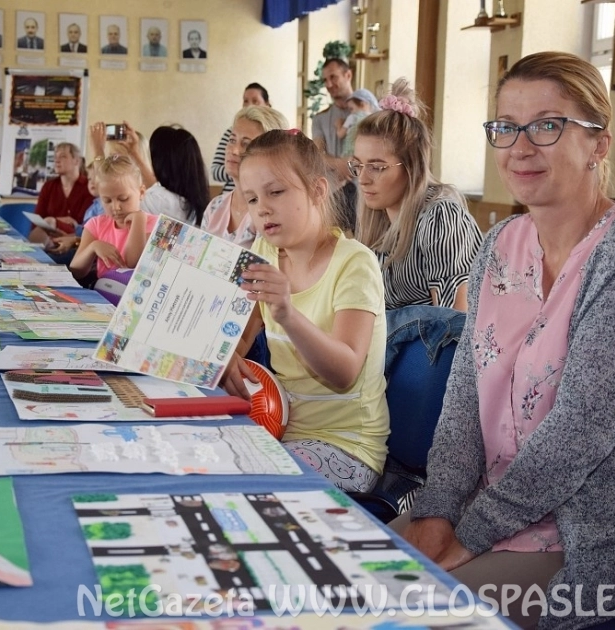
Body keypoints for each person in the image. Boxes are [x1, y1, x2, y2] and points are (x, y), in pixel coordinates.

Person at [395, 52, 615, 629]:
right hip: (487, 506)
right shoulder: (500, 243)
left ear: (599, 144)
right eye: (506, 128)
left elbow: (578, 437)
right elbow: (464, 400)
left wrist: (468, 534)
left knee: (408, 617)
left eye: (547, 126)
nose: (520, 148)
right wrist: (436, 511)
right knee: (340, 584)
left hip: (582, 537)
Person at [221, 129, 390, 493]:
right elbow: (238, 335)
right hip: (279, 430)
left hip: (347, 448)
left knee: (249, 483)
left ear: (317, 190)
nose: (262, 207)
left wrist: (287, 314)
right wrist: (224, 356)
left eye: (276, 192)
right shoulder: (264, 254)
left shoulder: (355, 263)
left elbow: (344, 371)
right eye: (251, 199)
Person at [353, 79, 482, 311]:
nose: (362, 179)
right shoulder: (377, 220)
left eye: (377, 166)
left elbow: (454, 324)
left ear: (411, 167)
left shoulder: (441, 217)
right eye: (358, 165)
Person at [201, 106, 289, 248]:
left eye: (246, 144)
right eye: (232, 140)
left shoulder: (270, 212)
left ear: (270, 153)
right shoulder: (214, 208)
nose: (234, 150)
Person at [69, 155, 159, 286]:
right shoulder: (96, 224)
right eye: (107, 201)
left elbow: (132, 263)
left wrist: (139, 220)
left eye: (123, 199)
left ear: (141, 193)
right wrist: (93, 247)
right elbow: (76, 271)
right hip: (104, 294)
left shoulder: (154, 224)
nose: (116, 207)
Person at [118, 122, 209, 226]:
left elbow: (112, 200)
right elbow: (155, 187)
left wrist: (98, 149)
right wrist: (134, 153)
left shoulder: (158, 201)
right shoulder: (190, 204)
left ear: (159, 164)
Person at [312, 58, 357, 233]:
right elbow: (316, 155)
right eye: (325, 80)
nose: (329, 84)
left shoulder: (370, 112)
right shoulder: (320, 118)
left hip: (367, 194)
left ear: (348, 75)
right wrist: (340, 164)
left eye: (333, 77)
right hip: (333, 196)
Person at [29, 142, 95, 248]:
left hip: (78, 240)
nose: (57, 160)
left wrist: (54, 221)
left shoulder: (89, 186)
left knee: (50, 221)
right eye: (55, 157)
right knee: (48, 222)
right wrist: (58, 221)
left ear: (76, 161)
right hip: (48, 238)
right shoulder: (48, 186)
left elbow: (89, 224)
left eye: (63, 156)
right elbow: (37, 221)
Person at [211, 83, 270, 195]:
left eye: (255, 101)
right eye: (245, 101)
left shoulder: (275, 134)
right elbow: (215, 171)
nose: (249, 105)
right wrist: (236, 168)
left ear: (267, 104)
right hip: (230, 194)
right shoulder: (231, 132)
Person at [336, 88, 378, 157]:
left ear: (362, 104)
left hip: (351, 151)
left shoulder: (352, 117)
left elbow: (340, 134)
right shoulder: (373, 118)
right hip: (367, 151)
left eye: (351, 108)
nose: (350, 112)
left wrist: (338, 124)